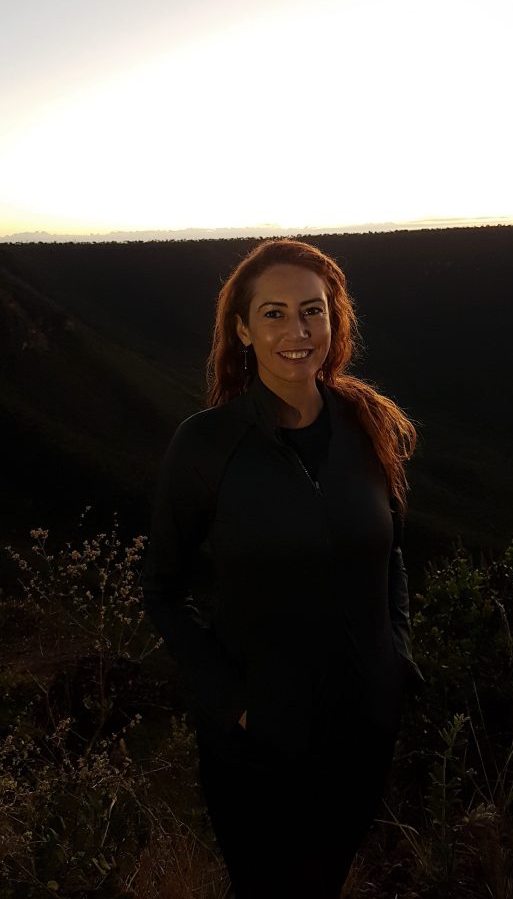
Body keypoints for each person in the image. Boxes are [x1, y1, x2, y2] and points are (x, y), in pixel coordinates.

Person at [141, 238, 423, 898]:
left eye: (312, 312)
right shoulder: (207, 443)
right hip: (258, 744)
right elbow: (163, 588)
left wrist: (396, 660)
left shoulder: (367, 425)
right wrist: (233, 702)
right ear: (242, 329)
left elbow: (392, 555)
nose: (297, 331)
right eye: (274, 314)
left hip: (363, 732)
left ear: (334, 320)